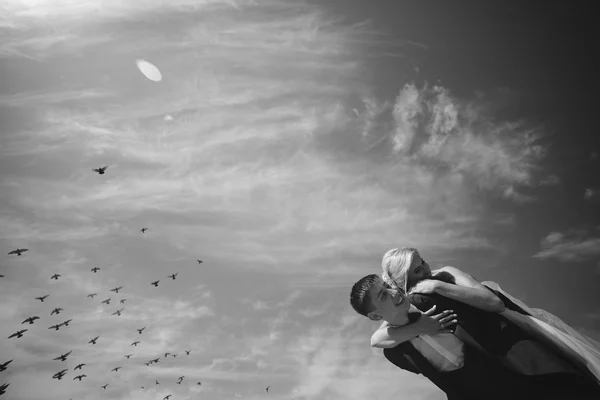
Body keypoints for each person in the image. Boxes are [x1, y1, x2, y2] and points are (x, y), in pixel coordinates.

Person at [372, 247, 600, 388]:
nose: (426, 269)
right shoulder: (409, 303)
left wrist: (439, 286)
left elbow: (494, 303)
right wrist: (420, 324)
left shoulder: (445, 274)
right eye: (417, 270)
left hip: (512, 341)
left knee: (566, 384)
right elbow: (378, 339)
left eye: (423, 262)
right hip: (488, 364)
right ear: (404, 279)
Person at [349, 274, 598, 400]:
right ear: (374, 316)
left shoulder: (426, 301)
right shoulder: (394, 352)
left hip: (517, 374)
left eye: (388, 286)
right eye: (383, 296)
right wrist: (421, 328)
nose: (393, 292)